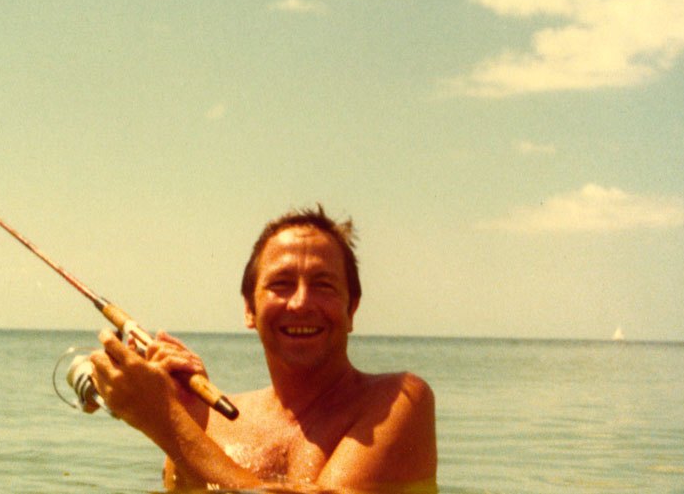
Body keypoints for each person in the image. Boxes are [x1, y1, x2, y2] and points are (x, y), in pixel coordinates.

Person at [90, 206, 437, 490]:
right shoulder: (210, 423)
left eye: (324, 285)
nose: (301, 303)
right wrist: (186, 416)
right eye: (281, 284)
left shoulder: (399, 401)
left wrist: (166, 421)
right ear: (249, 309)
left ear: (352, 309)